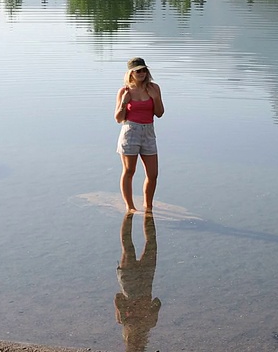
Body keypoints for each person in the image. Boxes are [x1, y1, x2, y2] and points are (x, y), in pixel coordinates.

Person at [115, 57, 165, 213]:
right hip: (130, 131)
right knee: (129, 171)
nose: (142, 73)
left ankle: (148, 206)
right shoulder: (124, 91)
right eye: (138, 71)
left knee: (153, 174)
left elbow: (159, 113)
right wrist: (124, 102)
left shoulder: (154, 88)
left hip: (149, 132)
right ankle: (130, 207)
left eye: (144, 70)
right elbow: (118, 119)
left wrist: (155, 98)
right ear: (131, 73)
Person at [114, 212, 161, 352]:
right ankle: (135, 214)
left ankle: (132, 214)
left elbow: (158, 302)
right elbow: (118, 297)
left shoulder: (150, 322)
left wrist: (141, 310)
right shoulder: (123, 320)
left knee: (147, 243)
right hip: (131, 283)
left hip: (144, 283)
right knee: (128, 246)